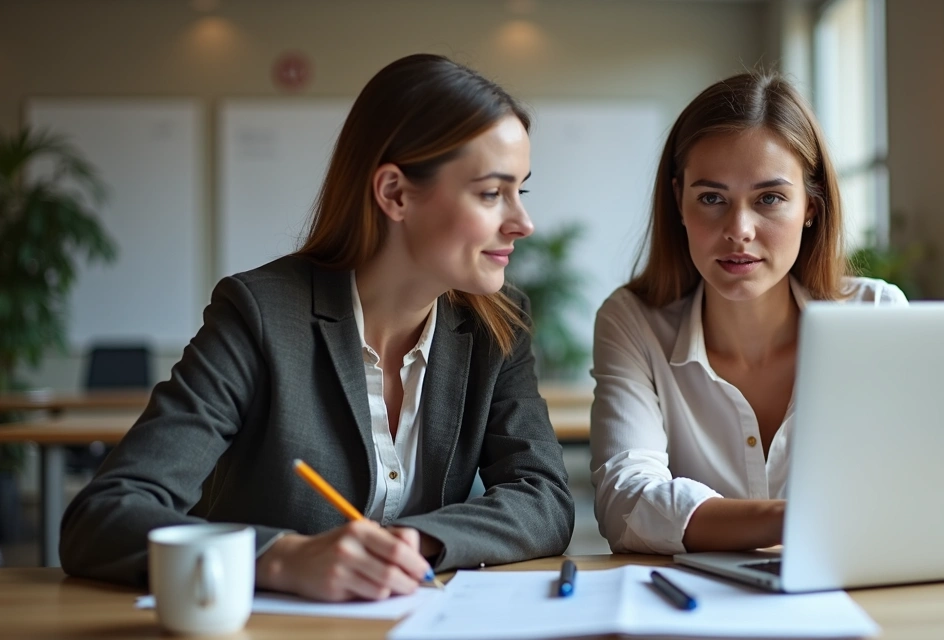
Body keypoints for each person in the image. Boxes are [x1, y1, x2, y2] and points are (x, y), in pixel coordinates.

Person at [60, 54, 574, 601]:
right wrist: (280, 557)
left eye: (522, 190)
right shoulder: (259, 314)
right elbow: (104, 516)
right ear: (395, 193)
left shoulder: (497, 324)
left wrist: (414, 542)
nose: (523, 222)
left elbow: (542, 495)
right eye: (492, 193)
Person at [590, 70, 908, 555]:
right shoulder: (634, 321)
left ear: (811, 206)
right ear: (679, 200)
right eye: (712, 198)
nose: (739, 230)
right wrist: (797, 520)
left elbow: (910, 488)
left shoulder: (875, 314)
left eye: (770, 198)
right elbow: (626, 502)